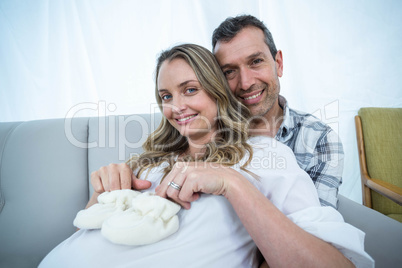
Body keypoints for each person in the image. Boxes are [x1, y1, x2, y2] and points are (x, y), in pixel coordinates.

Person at [39, 44, 373, 267]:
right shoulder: (151, 160)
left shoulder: (265, 155)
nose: (177, 106)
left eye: (190, 89)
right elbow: (84, 233)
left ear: (218, 92)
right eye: (166, 95)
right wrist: (101, 194)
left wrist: (232, 182)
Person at [91, 15, 343, 209]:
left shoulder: (317, 139)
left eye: (256, 61)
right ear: (216, 82)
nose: (245, 83)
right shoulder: (198, 137)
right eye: (229, 71)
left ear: (278, 63)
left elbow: (312, 237)